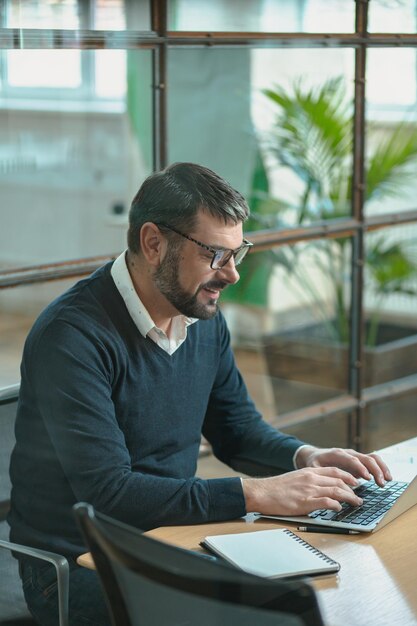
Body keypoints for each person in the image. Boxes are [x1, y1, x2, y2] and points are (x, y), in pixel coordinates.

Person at [9, 162, 391, 625]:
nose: (231, 275)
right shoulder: (71, 337)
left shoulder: (200, 316)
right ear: (153, 243)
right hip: (79, 565)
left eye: (238, 252)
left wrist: (306, 457)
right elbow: (110, 492)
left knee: (327, 590)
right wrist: (254, 494)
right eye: (216, 254)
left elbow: (236, 430)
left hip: (174, 540)